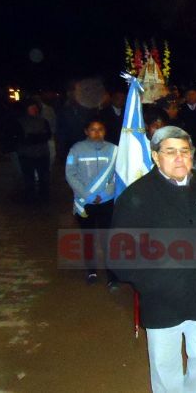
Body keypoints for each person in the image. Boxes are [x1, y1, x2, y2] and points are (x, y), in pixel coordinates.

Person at [112, 126, 196, 392]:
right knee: (166, 371)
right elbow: (120, 256)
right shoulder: (135, 196)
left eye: (185, 152)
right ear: (155, 156)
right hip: (163, 299)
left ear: (193, 155)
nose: (179, 158)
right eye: (170, 152)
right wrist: (154, 282)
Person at [65, 117, 119, 288]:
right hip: (85, 202)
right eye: (93, 129)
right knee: (88, 237)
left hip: (106, 201)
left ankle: (112, 274)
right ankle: (91, 270)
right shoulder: (76, 150)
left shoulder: (113, 150)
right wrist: (87, 195)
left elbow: (118, 175)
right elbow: (70, 174)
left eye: (101, 129)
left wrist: (105, 193)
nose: (97, 133)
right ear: (86, 131)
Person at [17, 99, 53, 202]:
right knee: (29, 178)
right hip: (27, 155)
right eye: (31, 108)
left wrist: (35, 137)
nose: (34, 110)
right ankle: (30, 196)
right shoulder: (21, 122)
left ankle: (44, 196)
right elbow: (22, 139)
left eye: (35, 108)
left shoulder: (43, 121)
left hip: (42, 154)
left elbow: (47, 135)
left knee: (44, 177)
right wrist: (36, 137)